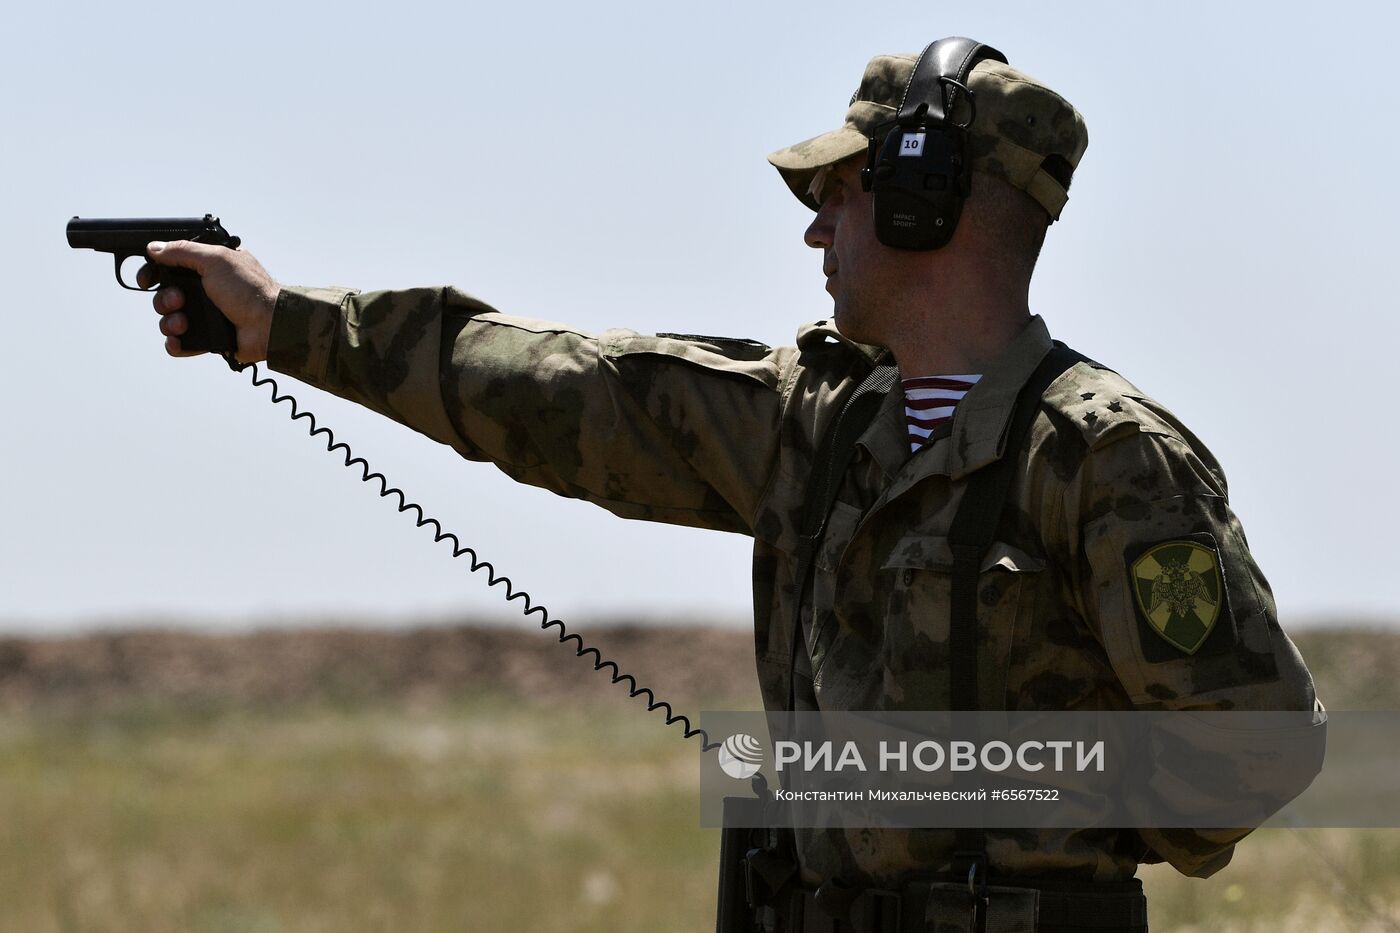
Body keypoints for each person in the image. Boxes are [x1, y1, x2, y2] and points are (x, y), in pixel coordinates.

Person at [139, 39, 1316, 933]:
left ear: (925, 198)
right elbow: (568, 393)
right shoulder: (819, 420)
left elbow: (1257, 754)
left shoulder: (1106, 458)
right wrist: (288, 325)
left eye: (839, 195)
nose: (816, 234)